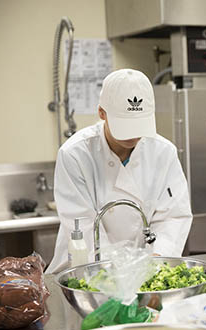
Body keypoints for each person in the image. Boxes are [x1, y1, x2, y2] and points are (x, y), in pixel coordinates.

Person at [47, 69, 192, 273]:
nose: (133, 136)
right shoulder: (75, 154)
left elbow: (173, 216)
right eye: (125, 125)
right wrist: (118, 272)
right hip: (86, 269)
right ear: (102, 113)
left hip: (146, 270)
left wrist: (157, 258)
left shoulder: (163, 151)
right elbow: (82, 224)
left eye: (139, 124)